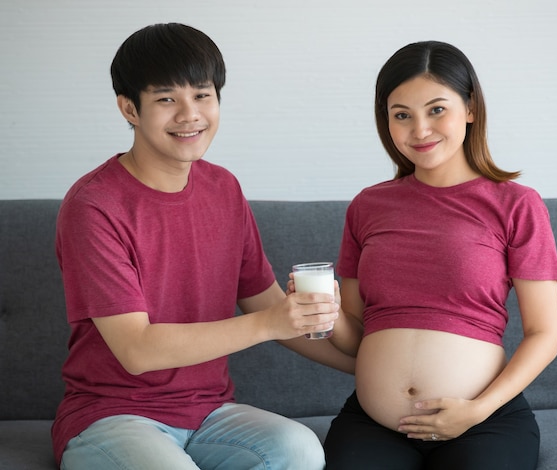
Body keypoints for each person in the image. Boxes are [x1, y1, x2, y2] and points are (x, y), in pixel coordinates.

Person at [52, 23, 354, 470]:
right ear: (129, 109)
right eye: (166, 99)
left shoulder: (223, 189)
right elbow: (138, 351)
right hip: (112, 415)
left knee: (301, 449)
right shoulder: (94, 206)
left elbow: (266, 304)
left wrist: (371, 371)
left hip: (209, 413)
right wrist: (272, 322)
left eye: (202, 95)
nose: (190, 115)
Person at [321, 41, 557, 469]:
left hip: (483, 419)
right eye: (402, 115)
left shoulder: (516, 204)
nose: (419, 130)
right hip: (374, 426)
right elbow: (358, 334)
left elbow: (545, 334)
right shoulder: (366, 206)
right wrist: (321, 313)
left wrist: (478, 409)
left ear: (470, 109)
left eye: (436, 109)